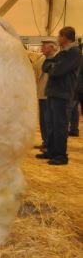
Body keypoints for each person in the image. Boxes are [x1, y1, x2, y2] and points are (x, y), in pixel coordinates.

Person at [37, 27, 82, 165]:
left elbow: (58, 71)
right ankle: (51, 150)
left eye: (59, 35)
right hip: (53, 92)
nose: (57, 38)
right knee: (51, 123)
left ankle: (61, 155)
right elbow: (46, 66)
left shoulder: (74, 54)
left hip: (62, 94)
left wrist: (53, 66)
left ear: (65, 37)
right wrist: (53, 66)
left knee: (60, 125)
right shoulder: (62, 53)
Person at [32, 39, 58, 150]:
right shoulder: (42, 58)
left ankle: (49, 144)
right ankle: (45, 141)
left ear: (52, 47)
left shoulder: (58, 59)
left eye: (44, 46)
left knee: (49, 120)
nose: (42, 48)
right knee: (43, 120)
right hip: (41, 92)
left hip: (50, 94)